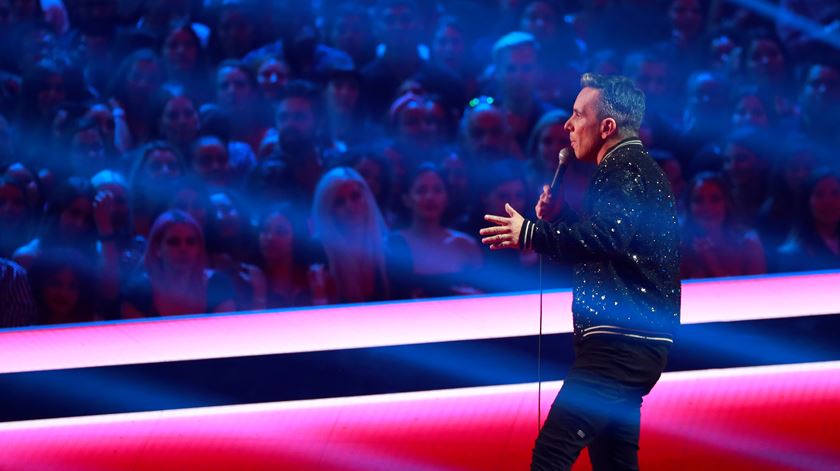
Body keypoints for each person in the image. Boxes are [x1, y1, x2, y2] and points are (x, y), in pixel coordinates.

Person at [479, 73, 680, 470]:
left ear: (607, 127)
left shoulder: (623, 169)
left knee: (551, 455)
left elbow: (608, 239)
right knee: (614, 463)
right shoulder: (637, 169)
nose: (567, 126)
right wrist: (564, 218)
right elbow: (615, 246)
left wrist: (532, 233)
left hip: (619, 345)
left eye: (576, 115)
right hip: (633, 342)